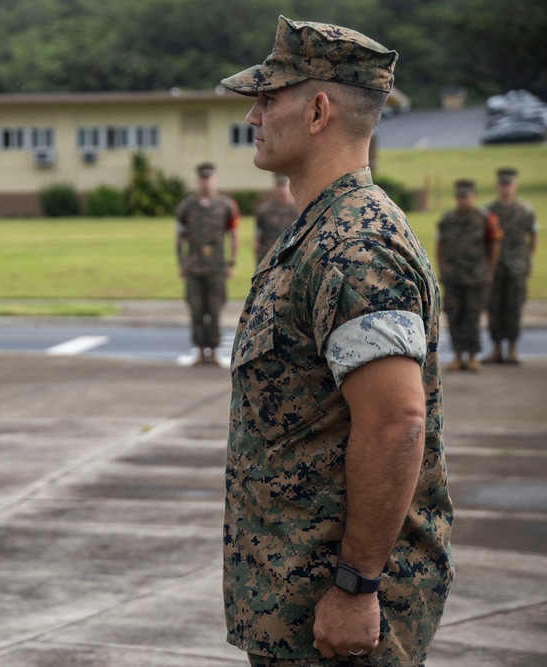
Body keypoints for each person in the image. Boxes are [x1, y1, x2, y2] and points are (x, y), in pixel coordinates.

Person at [219, 16, 453, 666]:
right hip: (296, 600)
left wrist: (356, 585)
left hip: (340, 614)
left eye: (269, 98)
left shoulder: (354, 245)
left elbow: (395, 423)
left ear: (319, 109)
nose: (254, 115)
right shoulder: (319, 231)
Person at [175, 162, 240, 366]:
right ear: (198, 181)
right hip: (194, 266)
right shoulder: (186, 206)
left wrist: (232, 263)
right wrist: (181, 263)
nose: (206, 183)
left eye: (209, 179)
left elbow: (234, 235)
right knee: (196, 310)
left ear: (215, 180)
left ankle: (212, 351)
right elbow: (179, 238)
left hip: (216, 267)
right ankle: (200, 351)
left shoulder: (226, 205)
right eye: (202, 179)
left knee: (214, 310)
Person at [436, 179, 502, 371]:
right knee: (454, 315)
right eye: (459, 196)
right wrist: (442, 267)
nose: (463, 199)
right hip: (454, 276)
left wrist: (490, 268)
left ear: (474, 196)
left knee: (473, 316)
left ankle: (472, 356)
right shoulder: (447, 219)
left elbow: (495, 243)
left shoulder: (486, 218)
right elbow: (440, 244)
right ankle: (458, 355)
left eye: (466, 196)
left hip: (476, 277)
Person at [484, 167, 537, 364]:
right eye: (503, 184)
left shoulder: (525, 211)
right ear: (497, 185)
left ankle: (513, 349)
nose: (506, 188)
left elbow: (533, 235)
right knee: (494, 307)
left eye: (509, 184)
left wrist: (526, 259)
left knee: (514, 308)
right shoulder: (488, 211)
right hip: (495, 268)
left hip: (516, 267)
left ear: (515, 186)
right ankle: (497, 349)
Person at [254, 173, 299, 264]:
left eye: (284, 185)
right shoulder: (264, 210)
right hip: (269, 260)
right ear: (274, 187)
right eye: (279, 186)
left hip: (292, 260)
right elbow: (258, 238)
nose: (282, 190)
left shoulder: (299, 209)